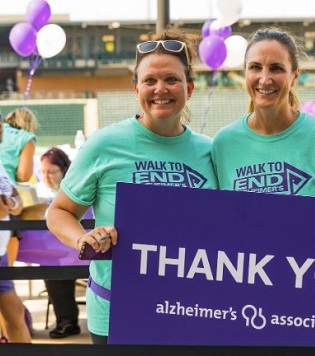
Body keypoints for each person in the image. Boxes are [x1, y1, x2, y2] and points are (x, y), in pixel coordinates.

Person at [46, 27, 218, 344]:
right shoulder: (104, 144)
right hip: (117, 315)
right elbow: (58, 212)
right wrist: (83, 237)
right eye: (150, 80)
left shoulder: (211, 152)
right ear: (136, 87)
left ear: (189, 88)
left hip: (191, 312)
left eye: (171, 79)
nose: (160, 88)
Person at [211, 27, 315, 198]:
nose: (264, 79)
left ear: (294, 77)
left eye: (276, 68)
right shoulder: (224, 144)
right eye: (255, 67)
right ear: (245, 73)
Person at [34, 147, 82, 338]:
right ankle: (65, 319)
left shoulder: (74, 188)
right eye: (43, 172)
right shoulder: (38, 190)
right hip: (54, 248)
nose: (46, 176)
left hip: (73, 246)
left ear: (64, 170)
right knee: (49, 262)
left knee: (54, 263)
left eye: (51, 172)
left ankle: (67, 320)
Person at [0, 121, 31, 343]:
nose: (2, 128)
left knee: (15, 314)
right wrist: (10, 202)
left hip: (1, 253)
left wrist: (9, 202)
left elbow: (16, 202)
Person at [0, 107, 38, 267]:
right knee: (7, 269)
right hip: (7, 190)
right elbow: (23, 175)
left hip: (6, 189)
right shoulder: (26, 138)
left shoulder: (5, 132)